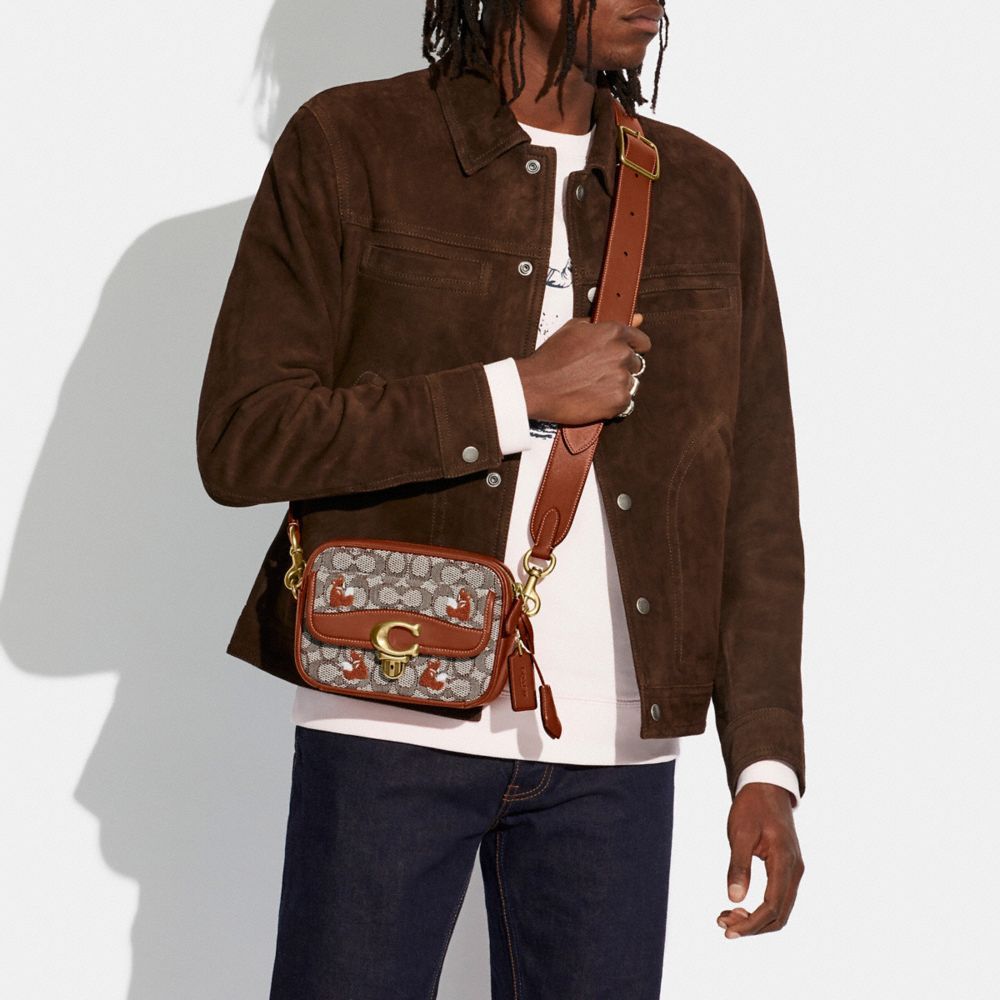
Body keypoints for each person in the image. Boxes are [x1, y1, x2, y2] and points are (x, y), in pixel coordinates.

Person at [196, 2, 807, 996]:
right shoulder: (353, 144)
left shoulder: (706, 194)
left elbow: (756, 502)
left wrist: (765, 766)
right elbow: (244, 436)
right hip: (390, 715)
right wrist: (514, 393)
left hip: (618, 752)